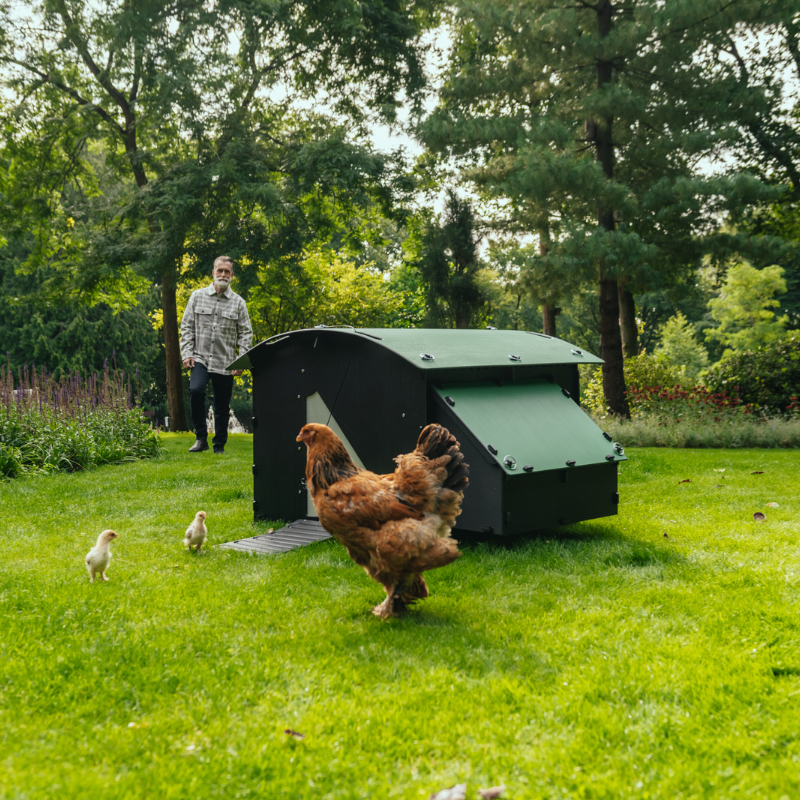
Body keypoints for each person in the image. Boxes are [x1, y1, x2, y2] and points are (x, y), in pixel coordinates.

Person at [180, 256, 253, 454]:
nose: (222, 274)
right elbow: (186, 326)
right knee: (196, 390)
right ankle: (201, 438)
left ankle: (219, 445)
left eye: (226, 271)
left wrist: (241, 360)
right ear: (213, 273)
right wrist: (186, 353)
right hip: (200, 357)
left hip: (226, 361)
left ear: (232, 275)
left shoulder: (239, 303)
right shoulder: (197, 296)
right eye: (219, 270)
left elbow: (246, 333)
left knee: (222, 406)